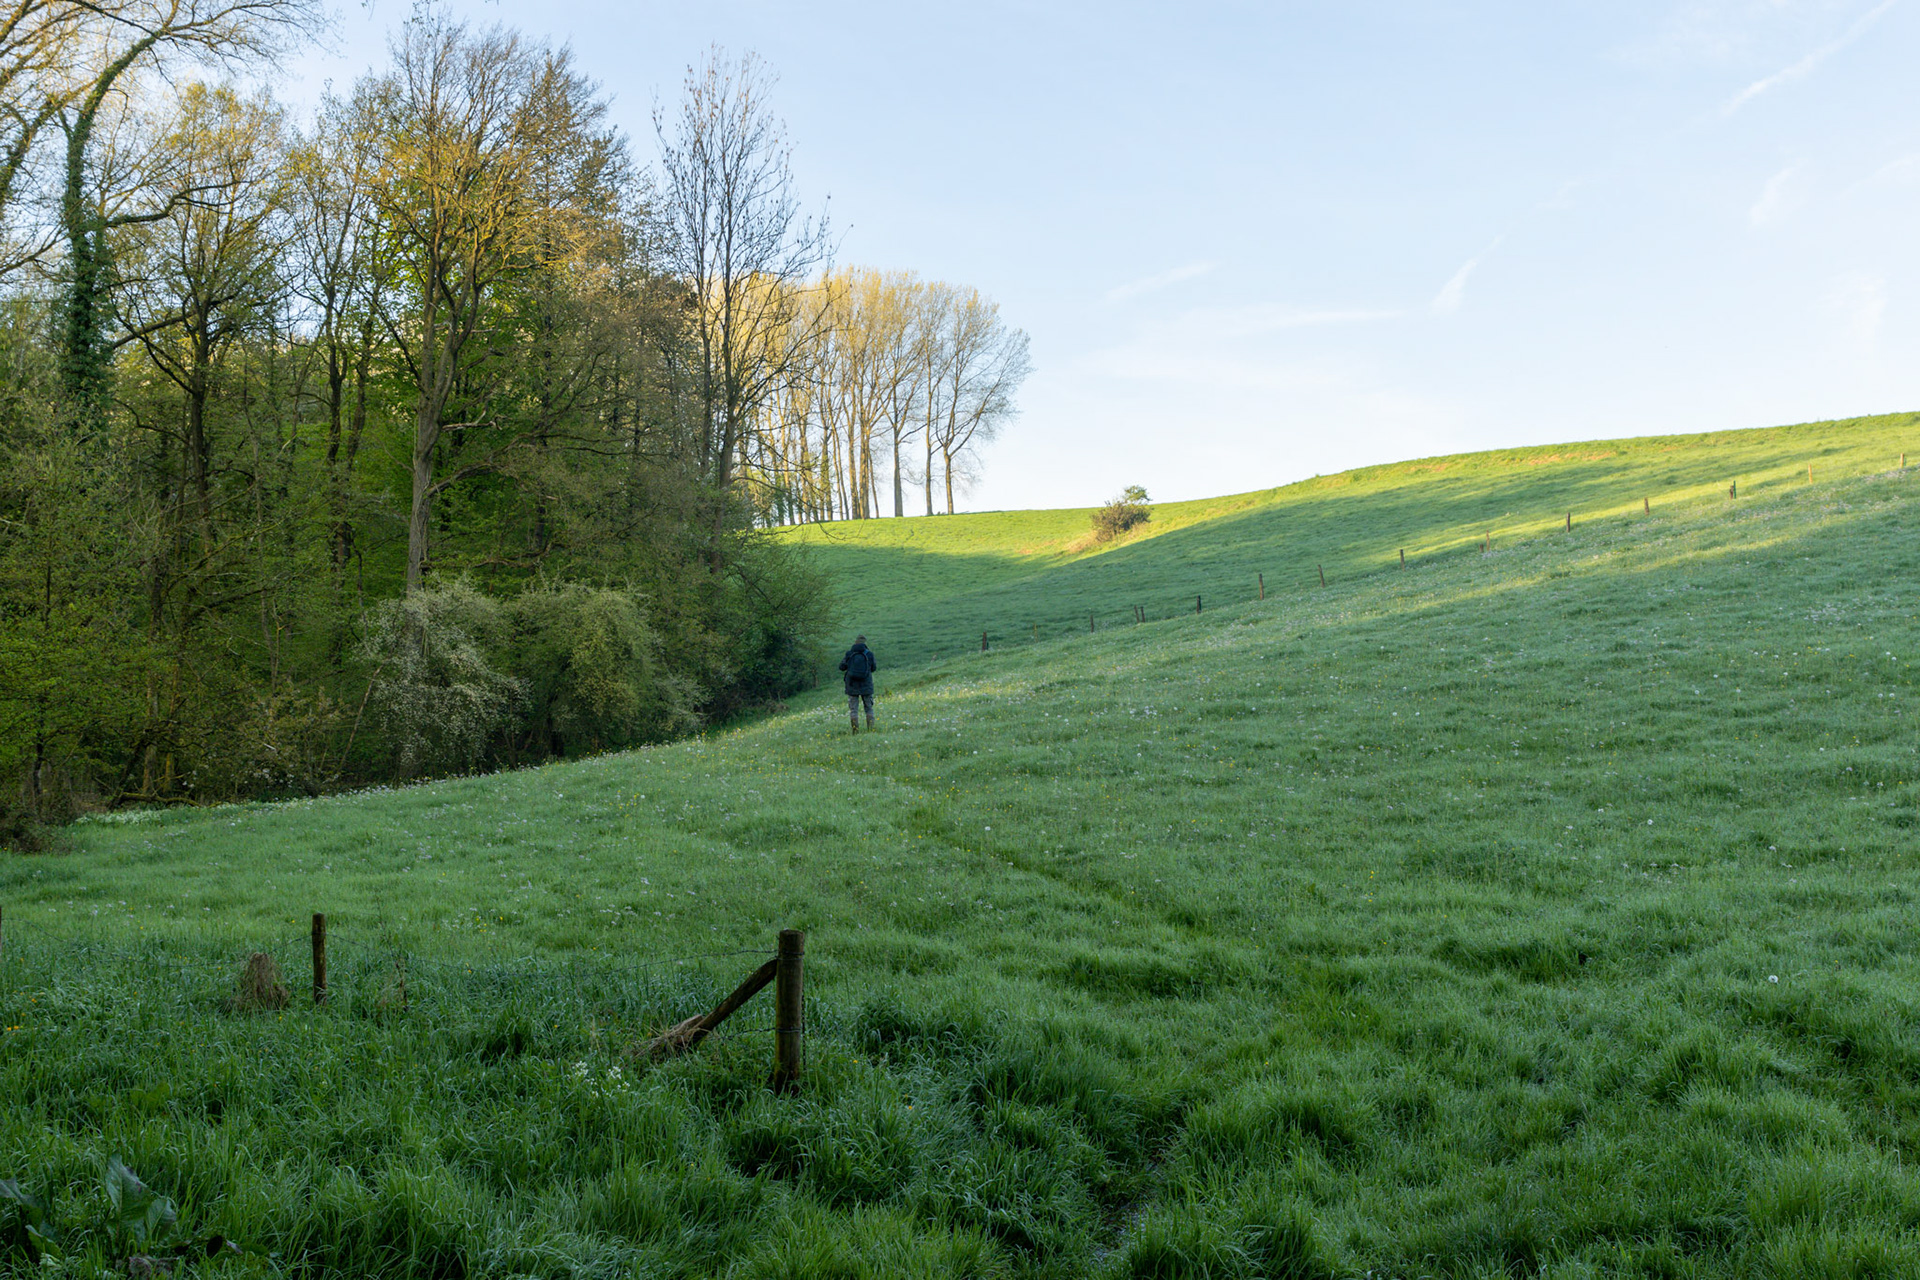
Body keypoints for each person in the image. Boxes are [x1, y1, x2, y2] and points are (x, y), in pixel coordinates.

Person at [839, 635, 877, 731]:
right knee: (869, 708)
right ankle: (871, 729)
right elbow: (873, 668)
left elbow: (841, 667)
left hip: (852, 685)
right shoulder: (869, 654)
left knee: (853, 710)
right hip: (866, 684)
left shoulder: (849, 654)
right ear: (864, 643)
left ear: (855, 642)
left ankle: (855, 730)